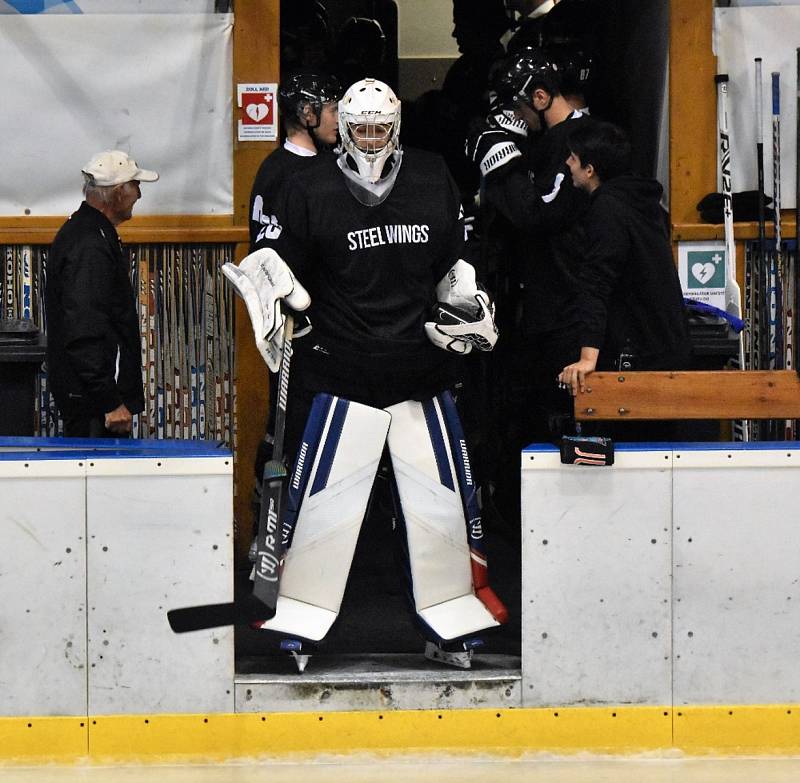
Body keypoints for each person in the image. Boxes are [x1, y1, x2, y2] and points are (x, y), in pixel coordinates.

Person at [224, 78, 507, 669]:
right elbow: (275, 265)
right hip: (338, 373)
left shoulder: (431, 177)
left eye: (382, 128)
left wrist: (465, 306)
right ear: (343, 128)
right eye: (361, 128)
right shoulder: (306, 185)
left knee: (439, 510)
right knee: (324, 510)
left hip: (419, 372)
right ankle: (298, 617)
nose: (372, 139)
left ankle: (450, 619)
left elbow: (456, 263)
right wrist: (278, 303)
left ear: (397, 126)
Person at [467, 48, 594, 444]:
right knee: (532, 415)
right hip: (542, 302)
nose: (516, 117)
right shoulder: (548, 142)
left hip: (569, 304)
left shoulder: (581, 142)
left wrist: (501, 161)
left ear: (540, 98)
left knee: (564, 421)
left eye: (519, 106)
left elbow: (538, 214)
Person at [558, 122, 691, 436]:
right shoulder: (644, 202)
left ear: (590, 170)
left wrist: (587, 356)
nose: (567, 164)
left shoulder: (607, 209)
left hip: (636, 358)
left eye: (573, 158)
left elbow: (596, 282)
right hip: (667, 349)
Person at [45, 150, 158, 438]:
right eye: (135, 186)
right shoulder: (90, 244)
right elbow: (84, 329)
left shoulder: (91, 233)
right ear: (119, 193)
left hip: (90, 397)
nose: (139, 195)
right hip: (94, 405)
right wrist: (109, 401)